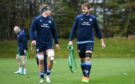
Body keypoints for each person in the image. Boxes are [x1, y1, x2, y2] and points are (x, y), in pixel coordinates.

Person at [68, 3, 106, 83]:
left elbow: (98, 30)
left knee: (88, 58)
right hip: (80, 42)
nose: (83, 10)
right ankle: (84, 75)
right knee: (82, 60)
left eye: (85, 9)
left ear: (89, 9)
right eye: (82, 9)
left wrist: (102, 41)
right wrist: (70, 40)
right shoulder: (78, 18)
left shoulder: (93, 18)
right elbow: (73, 29)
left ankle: (86, 77)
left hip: (89, 41)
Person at [30, 6, 59, 83]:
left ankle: (48, 75)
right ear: (45, 11)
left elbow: (54, 32)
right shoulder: (37, 19)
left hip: (49, 43)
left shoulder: (51, 20)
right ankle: (42, 77)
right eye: (50, 10)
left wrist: (56, 42)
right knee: (41, 61)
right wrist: (33, 39)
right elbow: (32, 30)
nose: (51, 12)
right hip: (39, 43)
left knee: (51, 58)